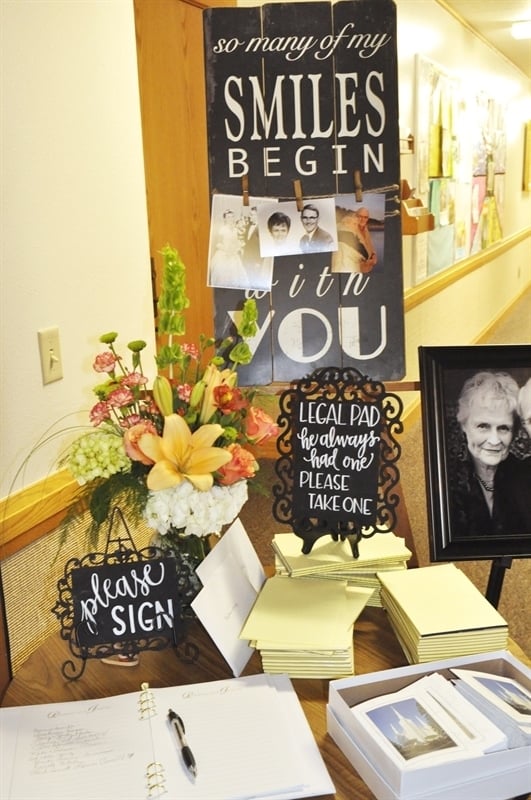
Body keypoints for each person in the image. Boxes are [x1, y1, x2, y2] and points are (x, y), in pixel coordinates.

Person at [449, 371, 531, 537]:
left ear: (514, 432)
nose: (494, 440)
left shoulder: (524, 475)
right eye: (483, 426)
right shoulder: (447, 479)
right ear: (464, 426)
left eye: (503, 428)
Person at [209, 209, 248, 289]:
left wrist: (238, 246)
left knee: (236, 274)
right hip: (223, 254)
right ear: (225, 219)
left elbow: (236, 241)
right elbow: (218, 243)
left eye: (232, 217)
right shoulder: (222, 229)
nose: (231, 219)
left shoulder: (235, 230)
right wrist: (227, 250)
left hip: (233, 254)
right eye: (228, 217)